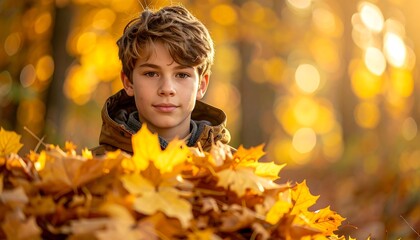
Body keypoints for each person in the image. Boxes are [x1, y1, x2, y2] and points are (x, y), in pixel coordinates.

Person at [92, 5, 231, 155]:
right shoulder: (90, 169)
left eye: (182, 75)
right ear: (128, 82)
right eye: (151, 74)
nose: (166, 89)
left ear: (201, 85)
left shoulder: (238, 170)